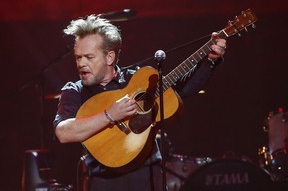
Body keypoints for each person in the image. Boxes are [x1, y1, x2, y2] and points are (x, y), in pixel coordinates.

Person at [53, 14, 227, 191]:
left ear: (109, 57)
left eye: (89, 57)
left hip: (149, 176)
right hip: (103, 181)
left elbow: (184, 90)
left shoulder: (137, 80)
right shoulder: (74, 90)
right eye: (78, 57)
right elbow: (63, 133)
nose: (81, 63)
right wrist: (110, 115)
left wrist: (210, 61)